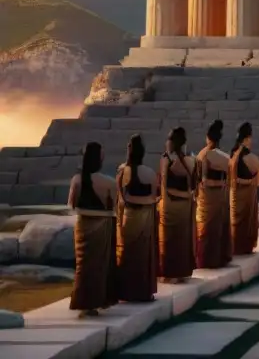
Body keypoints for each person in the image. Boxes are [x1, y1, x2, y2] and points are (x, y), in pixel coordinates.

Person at [67, 142, 118, 316]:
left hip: (83, 225)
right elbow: (115, 207)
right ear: (100, 159)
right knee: (100, 266)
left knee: (83, 265)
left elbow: (72, 205)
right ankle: (96, 301)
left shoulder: (77, 180)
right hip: (103, 225)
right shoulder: (109, 182)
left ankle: (83, 302)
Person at [115, 134, 159, 303]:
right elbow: (154, 197)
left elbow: (120, 198)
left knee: (128, 253)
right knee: (143, 254)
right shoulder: (149, 172)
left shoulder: (122, 170)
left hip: (129, 215)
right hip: (146, 215)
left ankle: (126, 291)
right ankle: (143, 291)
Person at [159, 127, 196, 283]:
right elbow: (194, 186)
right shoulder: (192, 160)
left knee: (170, 240)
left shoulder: (166, 160)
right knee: (182, 239)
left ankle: (170, 273)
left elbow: (163, 186)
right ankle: (182, 271)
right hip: (186, 204)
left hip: (170, 204)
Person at [196, 120, 232, 269]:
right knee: (218, 227)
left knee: (207, 229)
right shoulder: (225, 156)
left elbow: (202, 181)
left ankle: (207, 260)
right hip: (222, 195)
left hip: (208, 196)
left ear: (208, 137)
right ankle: (220, 258)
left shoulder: (203, 155)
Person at [230, 122, 259, 255]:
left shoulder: (232, 154)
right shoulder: (251, 158)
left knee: (235, 223)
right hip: (247, 194)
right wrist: (250, 181)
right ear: (247, 138)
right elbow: (258, 181)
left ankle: (235, 246)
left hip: (234, 195)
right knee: (246, 222)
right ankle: (245, 246)